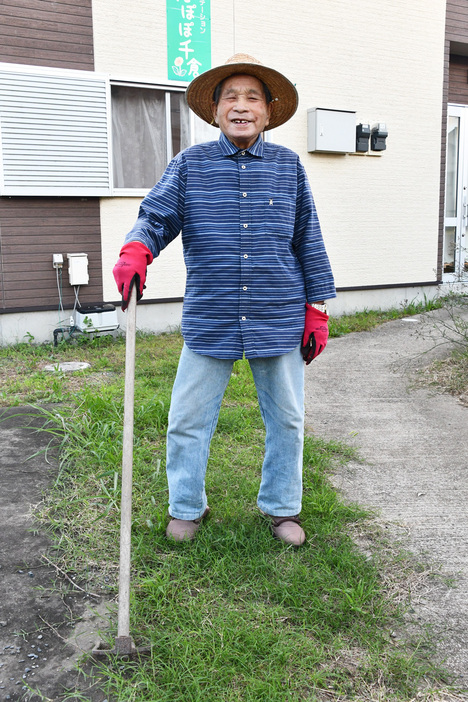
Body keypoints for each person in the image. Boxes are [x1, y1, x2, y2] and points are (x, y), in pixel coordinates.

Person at [113, 53, 336, 547]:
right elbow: (156, 216)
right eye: (230, 97)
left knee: (287, 419)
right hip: (211, 315)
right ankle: (187, 506)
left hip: (278, 312)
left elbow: (308, 238)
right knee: (188, 419)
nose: (241, 106)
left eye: (252, 98)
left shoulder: (289, 167)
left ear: (267, 111)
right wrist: (136, 248)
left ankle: (281, 509)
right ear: (214, 110)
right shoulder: (189, 165)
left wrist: (316, 307)